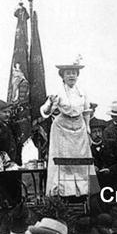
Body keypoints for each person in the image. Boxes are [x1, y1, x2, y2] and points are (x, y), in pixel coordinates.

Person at [40, 61, 96, 197]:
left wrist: (87, 129)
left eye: (74, 73)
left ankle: (84, 192)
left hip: (79, 128)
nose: (71, 76)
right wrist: (51, 104)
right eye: (68, 73)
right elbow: (44, 111)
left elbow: (87, 111)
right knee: (62, 161)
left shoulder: (82, 92)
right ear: (63, 76)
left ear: (77, 75)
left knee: (81, 161)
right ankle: (62, 193)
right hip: (61, 128)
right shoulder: (57, 92)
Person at [0, 100, 22, 165]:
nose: (7, 115)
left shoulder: (11, 126)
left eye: (9, 112)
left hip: (13, 162)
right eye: (4, 112)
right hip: (1, 163)